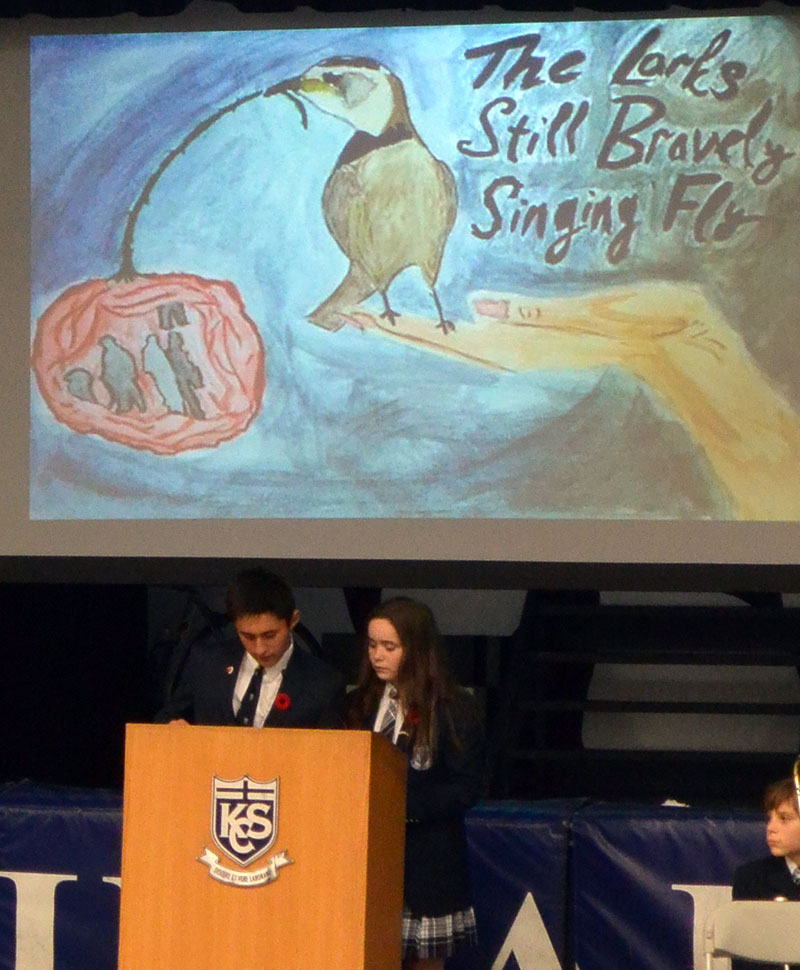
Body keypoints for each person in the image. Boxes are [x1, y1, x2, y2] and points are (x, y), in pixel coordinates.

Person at [347, 596, 485, 970]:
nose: (378, 656)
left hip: (428, 864)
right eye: (372, 645)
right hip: (365, 861)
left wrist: (401, 808)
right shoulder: (360, 703)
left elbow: (467, 787)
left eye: (389, 647)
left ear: (418, 649)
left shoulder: (454, 708)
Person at [155, 567, 344, 728]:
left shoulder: (323, 683)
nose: (260, 649)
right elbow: (166, 718)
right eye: (248, 636)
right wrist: (173, 727)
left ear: (293, 621)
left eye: (269, 635)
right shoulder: (207, 662)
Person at [731, 776, 800, 970]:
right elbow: (746, 958)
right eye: (770, 818)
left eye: (784, 818)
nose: (771, 828)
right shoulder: (751, 878)